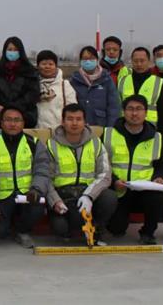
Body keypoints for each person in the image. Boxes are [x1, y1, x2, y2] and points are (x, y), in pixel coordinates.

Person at [46, 104, 117, 245]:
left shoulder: (96, 143)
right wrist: (55, 201)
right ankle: (71, 228)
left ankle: (97, 230)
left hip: (89, 193)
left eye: (78, 119)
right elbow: (46, 179)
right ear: (62, 122)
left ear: (85, 122)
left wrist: (89, 196)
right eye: (70, 119)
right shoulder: (51, 145)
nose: (74, 123)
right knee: (61, 228)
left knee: (110, 197)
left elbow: (105, 174)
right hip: (63, 196)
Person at [104, 95, 163, 244]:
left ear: (146, 113)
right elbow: (101, 164)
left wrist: (159, 177)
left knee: (157, 197)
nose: (134, 113)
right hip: (118, 189)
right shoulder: (109, 134)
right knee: (116, 229)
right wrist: (114, 181)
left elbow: (162, 165)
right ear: (123, 112)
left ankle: (148, 233)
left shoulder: (156, 137)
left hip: (144, 189)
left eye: (139, 109)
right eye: (130, 109)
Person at [0, 105, 50, 248]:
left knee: (38, 206)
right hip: (2, 197)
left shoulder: (34, 143)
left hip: (27, 194)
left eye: (17, 120)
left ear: (23, 123)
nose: (13, 124)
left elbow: (42, 171)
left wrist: (36, 190)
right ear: (1, 123)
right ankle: (6, 225)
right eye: (8, 120)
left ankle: (22, 231)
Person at [0, 37, 41, 128]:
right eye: (10, 49)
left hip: (25, 117)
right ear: (5, 51)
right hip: (0, 118)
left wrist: (14, 108)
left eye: (15, 50)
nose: (12, 52)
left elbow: (33, 94)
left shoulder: (30, 71)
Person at [69, 46, 120, 127]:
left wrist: (110, 127)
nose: (88, 61)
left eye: (91, 58)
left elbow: (113, 106)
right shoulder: (74, 80)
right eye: (85, 59)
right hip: (79, 126)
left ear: (97, 60)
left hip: (101, 125)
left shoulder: (106, 79)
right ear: (80, 61)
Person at [117, 47, 163, 125]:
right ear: (131, 61)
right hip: (126, 127)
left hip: (150, 128)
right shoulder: (122, 81)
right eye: (135, 61)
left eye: (142, 61)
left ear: (149, 61)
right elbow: (117, 107)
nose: (139, 64)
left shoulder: (158, 82)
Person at [36, 50, 77, 129]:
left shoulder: (64, 85)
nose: (47, 67)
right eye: (44, 64)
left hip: (60, 131)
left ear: (56, 66)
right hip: (37, 131)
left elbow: (72, 109)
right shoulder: (32, 85)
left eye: (50, 64)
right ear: (38, 66)